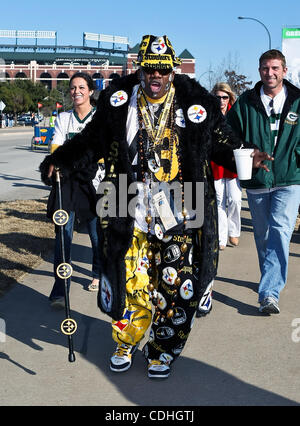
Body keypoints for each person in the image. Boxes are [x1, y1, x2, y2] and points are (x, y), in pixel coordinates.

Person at [40, 35, 271, 378]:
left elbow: (221, 143)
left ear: (173, 71)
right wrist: (61, 160)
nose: (156, 77)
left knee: (175, 285)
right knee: (127, 278)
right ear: (141, 69)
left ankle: (162, 348)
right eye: (150, 70)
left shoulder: (196, 103)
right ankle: (126, 340)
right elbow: (92, 139)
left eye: (163, 70)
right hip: (123, 196)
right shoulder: (118, 100)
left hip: (180, 199)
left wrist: (246, 154)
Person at [227, 49, 300, 315]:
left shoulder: (297, 101)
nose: (270, 73)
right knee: (264, 235)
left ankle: (269, 292)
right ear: (259, 71)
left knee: (280, 229)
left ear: (284, 71)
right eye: (265, 69)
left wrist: (296, 155)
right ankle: (270, 278)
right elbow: (228, 133)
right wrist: (245, 150)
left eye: (275, 68)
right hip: (258, 179)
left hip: (290, 177)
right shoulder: (246, 102)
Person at [47, 72, 104, 308]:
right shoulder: (63, 118)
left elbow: (103, 151)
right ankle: (61, 290)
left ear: (91, 91)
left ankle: (99, 274)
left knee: (97, 234)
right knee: (63, 235)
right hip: (69, 183)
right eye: (72, 88)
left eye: (82, 87)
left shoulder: (101, 117)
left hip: (94, 183)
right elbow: (56, 147)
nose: (76, 91)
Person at [211, 83, 242, 250]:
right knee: (219, 200)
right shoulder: (208, 114)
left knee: (235, 199)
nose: (221, 101)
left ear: (229, 98)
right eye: (218, 97)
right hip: (215, 163)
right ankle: (221, 237)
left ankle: (234, 231)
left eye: (225, 97)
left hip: (232, 162)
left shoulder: (235, 114)